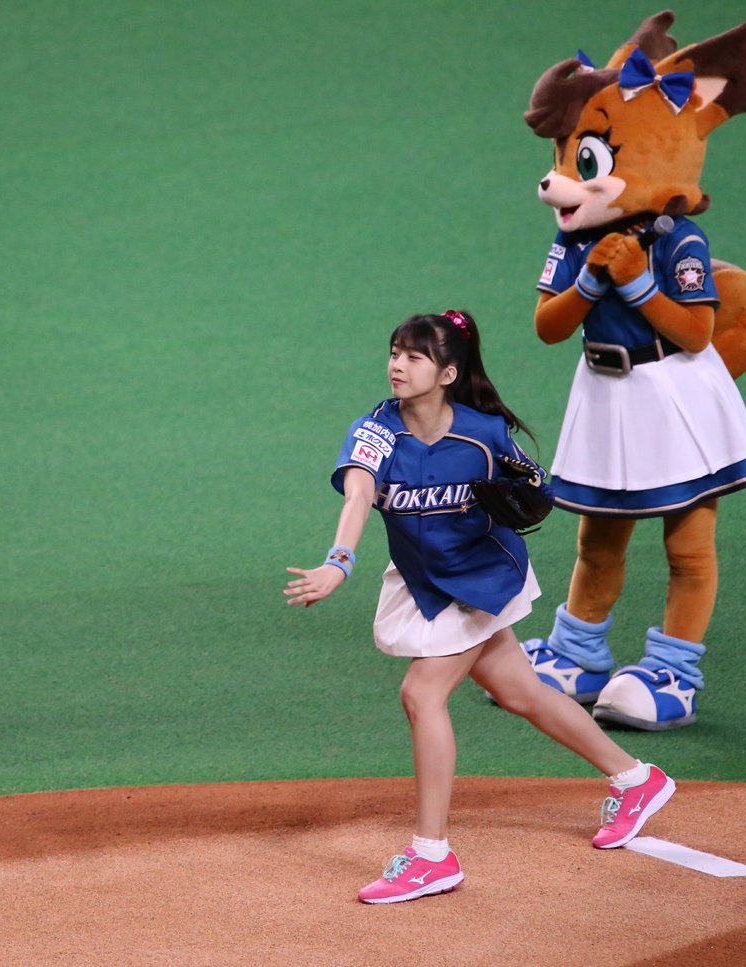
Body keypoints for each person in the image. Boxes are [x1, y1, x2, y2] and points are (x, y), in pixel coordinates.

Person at [284, 311, 675, 905]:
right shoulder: (376, 430)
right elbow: (360, 490)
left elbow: (534, 491)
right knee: (521, 693)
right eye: (394, 352)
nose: (397, 365)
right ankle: (636, 779)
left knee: (421, 694)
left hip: (484, 579)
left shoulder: (483, 435)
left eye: (414, 356)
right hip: (426, 576)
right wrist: (340, 560)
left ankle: (431, 856)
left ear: (447, 373)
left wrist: (530, 492)